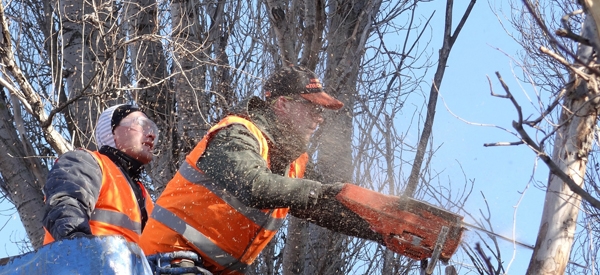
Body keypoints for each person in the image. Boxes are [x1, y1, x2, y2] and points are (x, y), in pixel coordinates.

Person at [140, 65, 384, 274]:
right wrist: (321, 191)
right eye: (312, 108)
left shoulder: (293, 163)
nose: (318, 118)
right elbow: (254, 185)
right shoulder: (236, 133)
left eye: (320, 111)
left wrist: (383, 228)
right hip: (169, 259)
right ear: (283, 105)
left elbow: (324, 205)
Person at [42, 104, 158, 245]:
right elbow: (65, 208)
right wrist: (81, 247)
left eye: (152, 129)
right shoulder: (86, 162)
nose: (151, 134)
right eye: (141, 125)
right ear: (112, 133)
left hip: (126, 266)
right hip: (82, 264)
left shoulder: (144, 196)